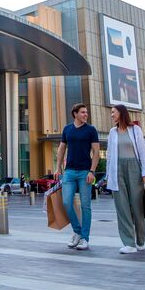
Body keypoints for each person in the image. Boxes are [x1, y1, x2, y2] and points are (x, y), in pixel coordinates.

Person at [106, 104, 145, 254]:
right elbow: (109, 155)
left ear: (121, 113)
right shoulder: (112, 132)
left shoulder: (135, 130)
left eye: (113, 112)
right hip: (116, 169)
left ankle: (140, 241)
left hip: (134, 168)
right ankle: (129, 243)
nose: (112, 115)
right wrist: (108, 175)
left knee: (137, 205)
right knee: (122, 207)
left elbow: (142, 152)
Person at [55, 103, 100, 251]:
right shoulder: (67, 129)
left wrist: (92, 171)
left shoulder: (91, 130)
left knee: (86, 206)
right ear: (75, 114)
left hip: (85, 172)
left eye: (86, 112)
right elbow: (61, 149)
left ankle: (85, 239)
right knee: (66, 202)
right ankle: (77, 232)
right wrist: (58, 168)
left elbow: (96, 152)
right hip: (69, 172)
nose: (86, 115)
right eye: (83, 112)